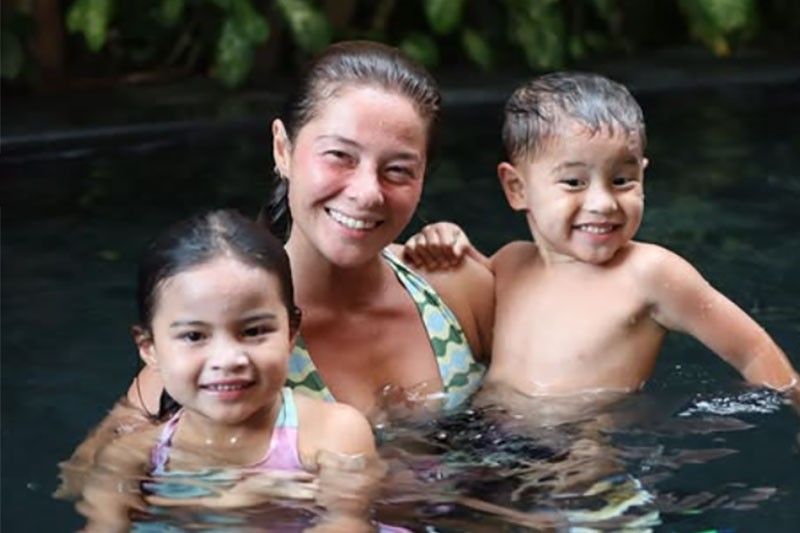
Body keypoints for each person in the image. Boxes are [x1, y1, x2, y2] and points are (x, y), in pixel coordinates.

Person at [130, 41, 493, 420]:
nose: (367, 193)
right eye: (339, 156)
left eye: (398, 170)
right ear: (282, 149)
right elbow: (114, 456)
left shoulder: (455, 287)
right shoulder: (222, 338)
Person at [404, 71, 799, 406]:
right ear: (517, 188)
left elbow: (753, 350)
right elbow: (462, 301)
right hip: (485, 437)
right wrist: (444, 238)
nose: (603, 203)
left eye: (622, 180)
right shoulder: (509, 264)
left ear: (643, 174)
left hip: (578, 451)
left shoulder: (650, 273)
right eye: (574, 182)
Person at [75, 210, 379, 531]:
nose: (229, 358)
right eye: (194, 336)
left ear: (291, 333)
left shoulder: (333, 434)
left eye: (254, 331)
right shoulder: (133, 458)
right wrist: (235, 502)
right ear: (150, 348)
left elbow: (349, 524)